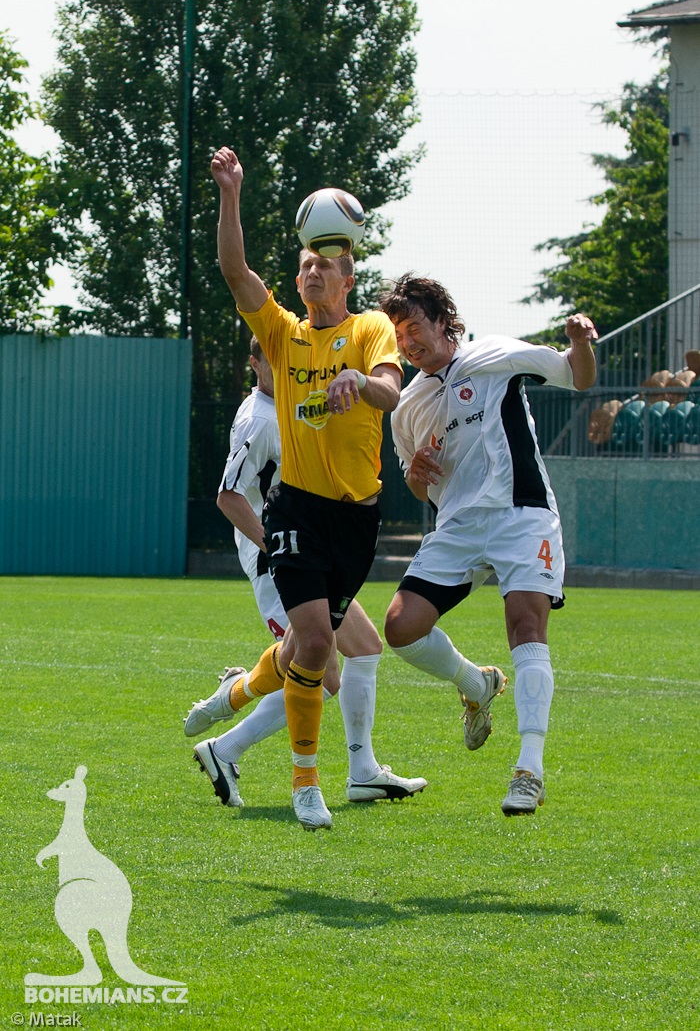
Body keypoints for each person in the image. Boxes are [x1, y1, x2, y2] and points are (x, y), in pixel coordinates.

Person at [204, 145, 421, 831]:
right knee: (318, 645)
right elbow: (234, 271)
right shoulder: (282, 335)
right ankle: (307, 782)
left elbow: (392, 386)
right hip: (294, 508)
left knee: (311, 649)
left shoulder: (370, 328)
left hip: (356, 520)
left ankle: (236, 691)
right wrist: (231, 193)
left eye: (322, 264)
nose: (309, 272)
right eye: (303, 265)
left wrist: (364, 386)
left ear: (347, 272)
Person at [379, 273, 598, 816]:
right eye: (398, 336)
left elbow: (578, 378)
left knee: (526, 626)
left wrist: (579, 343)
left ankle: (529, 770)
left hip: (520, 513)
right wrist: (418, 474)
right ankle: (477, 684)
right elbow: (415, 480)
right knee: (401, 628)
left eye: (413, 329)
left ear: (442, 320)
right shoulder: (406, 406)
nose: (407, 344)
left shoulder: (494, 355)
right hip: (457, 525)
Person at [184, 335, 427, 811]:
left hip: (309, 551)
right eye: (269, 360)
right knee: (322, 671)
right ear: (253, 363)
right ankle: (227, 738)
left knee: (364, 648)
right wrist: (274, 548)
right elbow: (228, 496)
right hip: (277, 560)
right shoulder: (258, 419)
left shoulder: (295, 406)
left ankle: (361, 773)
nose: (281, 366)